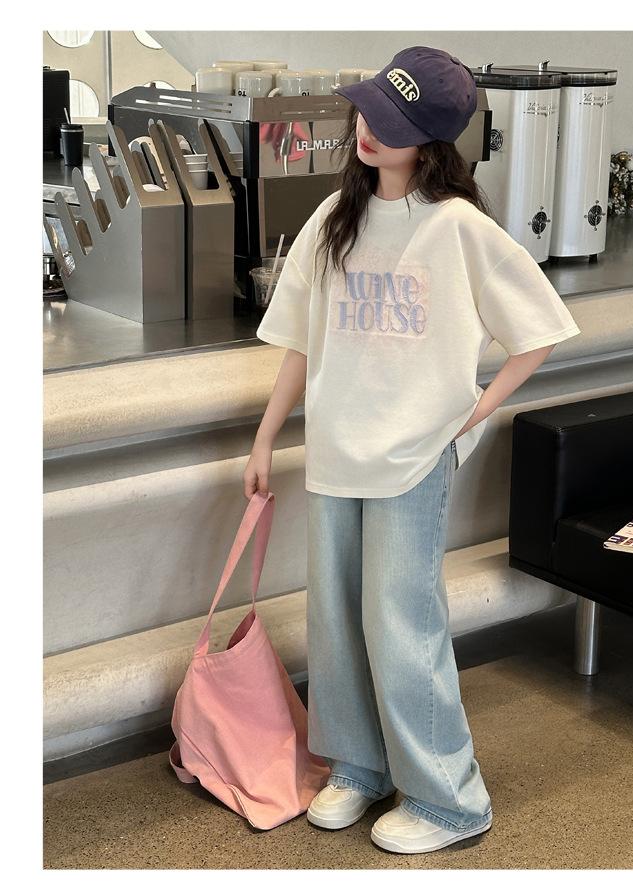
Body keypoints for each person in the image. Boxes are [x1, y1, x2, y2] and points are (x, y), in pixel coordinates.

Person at [243, 45, 581, 855]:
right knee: (336, 620)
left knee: (402, 625)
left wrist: (476, 410)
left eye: (389, 122)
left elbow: (539, 329)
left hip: (413, 461)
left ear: (429, 141)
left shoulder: (458, 227)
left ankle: (450, 800)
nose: (367, 130)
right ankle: (357, 767)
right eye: (367, 111)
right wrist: (265, 437)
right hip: (335, 454)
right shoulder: (336, 216)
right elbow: (299, 342)